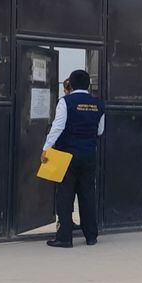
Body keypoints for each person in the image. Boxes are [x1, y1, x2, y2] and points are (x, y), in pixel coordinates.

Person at [41, 70, 105, 248]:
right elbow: (100, 130)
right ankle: (91, 236)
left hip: (66, 155)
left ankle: (64, 238)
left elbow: (58, 127)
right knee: (87, 194)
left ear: (71, 84)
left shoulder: (65, 102)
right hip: (89, 154)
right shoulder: (99, 104)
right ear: (88, 85)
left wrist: (46, 148)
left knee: (65, 195)